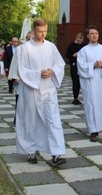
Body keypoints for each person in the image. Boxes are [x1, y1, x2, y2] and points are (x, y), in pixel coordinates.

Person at [15, 18, 67, 166]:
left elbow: (60, 64)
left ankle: (58, 154)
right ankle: (31, 150)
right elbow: (21, 70)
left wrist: (53, 71)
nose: (43, 34)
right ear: (33, 30)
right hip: (31, 91)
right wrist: (38, 74)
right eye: (40, 31)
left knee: (53, 120)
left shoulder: (51, 47)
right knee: (31, 121)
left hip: (48, 90)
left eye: (45, 31)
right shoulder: (24, 49)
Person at [77, 25, 102, 142]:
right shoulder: (84, 50)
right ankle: (93, 130)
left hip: (101, 81)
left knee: (100, 103)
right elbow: (81, 65)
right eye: (92, 33)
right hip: (89, 81)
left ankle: (98, 127)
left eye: (96, 33)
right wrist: (92, 65)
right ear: (88, 36)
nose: (94, 35)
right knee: (91, 104)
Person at [65, 32, 85, 105]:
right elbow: (67, 54)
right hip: (74, 66)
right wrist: (73, 55)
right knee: (75, 82)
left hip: (83, 66)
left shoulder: (84, 45)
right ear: (76, 38)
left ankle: (84, 98)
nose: (80, 41)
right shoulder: (71, 45)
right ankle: (75, 98)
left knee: (82, 82)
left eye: (81, 39)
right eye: (79, 39)